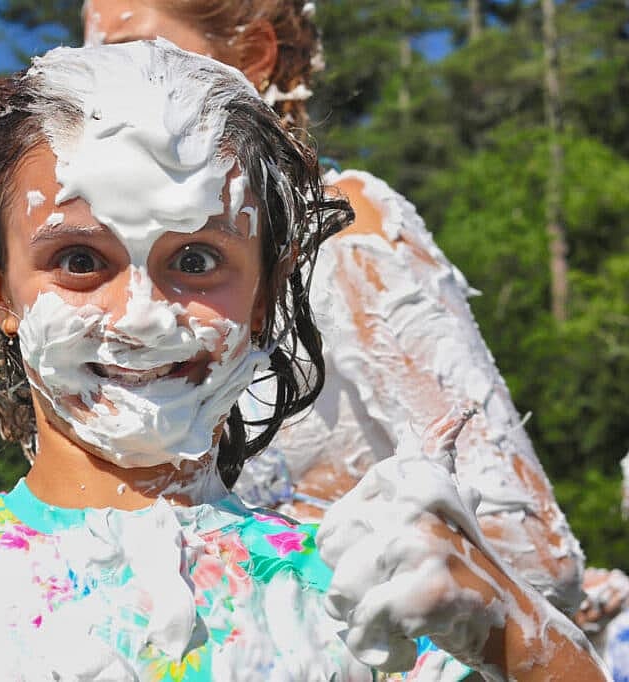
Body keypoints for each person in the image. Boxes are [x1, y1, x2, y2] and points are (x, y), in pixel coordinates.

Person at [0, 41, 606, 681]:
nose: (142, 314)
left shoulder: (361, 589)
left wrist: (516, 632)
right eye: (77, 260)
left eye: (198, 261)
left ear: (269, 292)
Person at [81, 0, 589, 618]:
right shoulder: (101, 288)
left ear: (254, 55)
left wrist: (268, 547)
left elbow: (535, 554)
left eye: (131, 52)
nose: (98, 89)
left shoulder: (344, 232)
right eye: (86, 59)